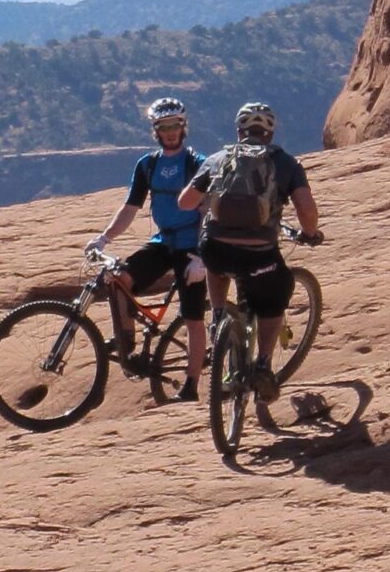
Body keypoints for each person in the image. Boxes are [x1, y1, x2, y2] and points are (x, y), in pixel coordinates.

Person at [177, 99, 321, 403]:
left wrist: (212, 202)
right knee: (274, 296)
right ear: (269, 133)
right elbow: (307, 211)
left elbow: (185, 202)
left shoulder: (218, 159)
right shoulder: (286, 163)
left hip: (216, 249)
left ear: (239, 130)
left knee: (214, 262)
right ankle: (264, 366)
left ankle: (217, 317)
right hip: (261, 257)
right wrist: (310, 234)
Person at [90, 97, 209, 400]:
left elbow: (210, 210)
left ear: (184, 126)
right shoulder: (148, 164)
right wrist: (104, 238)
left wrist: (203, 256)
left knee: (193, 318)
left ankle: (191, 385)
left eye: (175, 125)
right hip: (164, 241)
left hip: (191, 248)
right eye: (163, 127)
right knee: (118, 279)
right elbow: (131, 207)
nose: (170, 132)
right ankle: (127, 347)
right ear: (155, 130)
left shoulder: (197, 163)